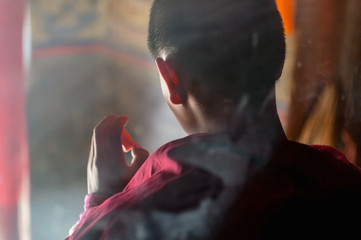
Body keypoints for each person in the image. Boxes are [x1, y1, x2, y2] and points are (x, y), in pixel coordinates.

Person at [66, 0, 361, 239]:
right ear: (279, 57)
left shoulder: (147, 211)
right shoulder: (339, 184)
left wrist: (103, 199)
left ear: (171, 80)